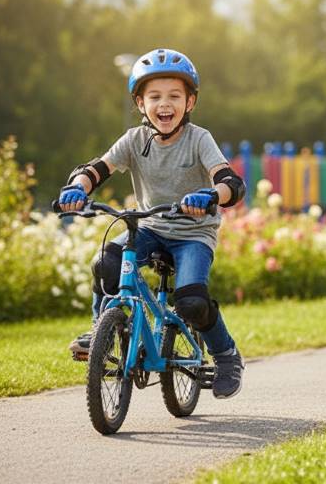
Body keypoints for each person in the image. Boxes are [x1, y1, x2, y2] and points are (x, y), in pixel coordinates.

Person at [57, 48, 246, 399]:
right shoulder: (134, 140)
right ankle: (101, 328)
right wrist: (76, 189)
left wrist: (210, 196)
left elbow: (231, 183)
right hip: (150, 227)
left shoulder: (199, 139)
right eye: (155, 96)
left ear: (189, 102)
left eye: (175, 96)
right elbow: (97, 169)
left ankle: (225, 354)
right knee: (106, 263)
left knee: (191, 302)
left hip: (193, 234)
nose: (165, 104)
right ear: (140, 103)